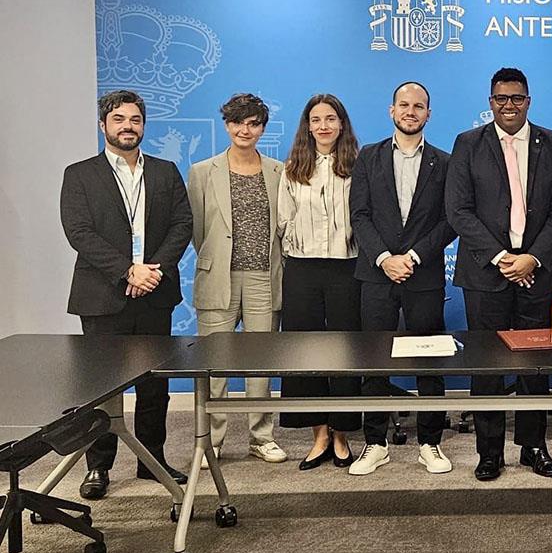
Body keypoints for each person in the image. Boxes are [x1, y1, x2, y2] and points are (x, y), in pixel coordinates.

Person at [445, 68, 552, 481]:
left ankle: (533, 447)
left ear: (529, 101)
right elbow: (458, 210)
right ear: (490, 102)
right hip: (486, 272)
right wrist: (503, 257)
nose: (509, 105)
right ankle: (489, 452)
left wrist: (532, 258)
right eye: (501, 98)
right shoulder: (468, 144)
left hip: (537, 272)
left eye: (516, 98)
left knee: (533, 366)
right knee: (487, 368)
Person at [60, 89, 192, 500]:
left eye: (134, 120)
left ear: (143, 126)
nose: (127, 126)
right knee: (101, 387)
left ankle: (152, 459)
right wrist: (126, 271)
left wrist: (151, 271)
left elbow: (182, 225)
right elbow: (78, 232)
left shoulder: (166, 171)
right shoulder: (79, 174)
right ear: (104, 125)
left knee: (155, 385)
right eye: (118, 119)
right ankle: (98, 466)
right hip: (103, 295)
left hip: (154, 292)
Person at [350, 81, 457, 476]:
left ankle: (431, 443)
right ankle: (374, 443)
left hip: (423, 273)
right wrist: (383, 258)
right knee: (374, 360)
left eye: (419, 106)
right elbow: (358, 214)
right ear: (391, 111)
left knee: (429, 361)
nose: (411, 111)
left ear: (429, 114)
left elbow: (451, 220)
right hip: (377, 275)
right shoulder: (368, 156)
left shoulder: (446, 163)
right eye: (404, 105)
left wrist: (411, 256)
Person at [188, 93, 287, 467]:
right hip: (219, 277)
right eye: (237, 122)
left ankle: (261, 437)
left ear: (262, 128)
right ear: (226, 125)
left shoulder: (279, 170)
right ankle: (210, 441)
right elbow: (198, 230)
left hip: (264, 276)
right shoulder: (202, 171)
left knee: (260, 363)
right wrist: (218, 260)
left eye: (253, 123)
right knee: (215, 363)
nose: (244, 130)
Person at [277, 93, 362, 470]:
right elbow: (283, 220)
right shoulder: (293, 167)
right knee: (305, 349)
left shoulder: (359, 165)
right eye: (316, 120)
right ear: (307, 126)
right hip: (303, 268)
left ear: (341, 124)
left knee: (345, 350)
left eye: (330, 118)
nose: (323, 126)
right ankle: (319, 434)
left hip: (348, 267)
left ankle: (342, 433)